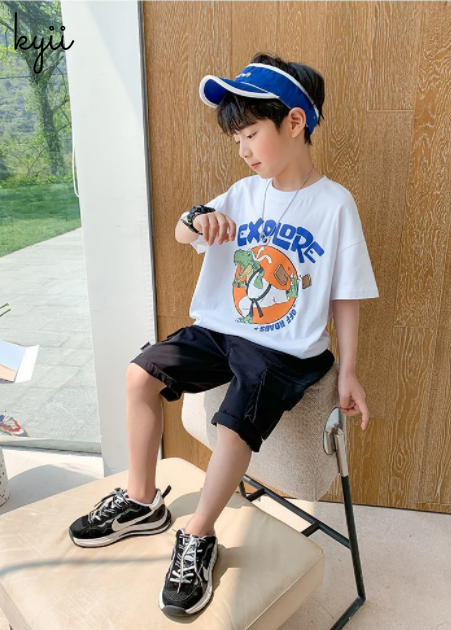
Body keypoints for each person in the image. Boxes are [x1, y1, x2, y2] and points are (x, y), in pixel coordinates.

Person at [68, 52, 379, 618]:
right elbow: (185, 231)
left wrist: (350, 371)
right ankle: (141, 501)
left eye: (251, 134)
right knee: (139, 374)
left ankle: (198, 534)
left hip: (287, 348)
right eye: (236, 139)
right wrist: (197, 219)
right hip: (222, 330)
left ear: (294, 122)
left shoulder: (335, 205)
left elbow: (346, 293)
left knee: (233, 421)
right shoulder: (241, 192)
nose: (242, 149)